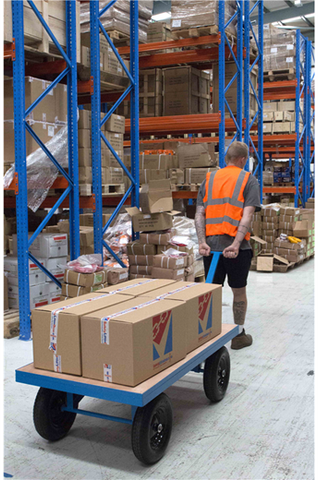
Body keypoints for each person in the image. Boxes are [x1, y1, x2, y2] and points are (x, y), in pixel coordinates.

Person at [195, 141, 261, 350]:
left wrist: (202, 242)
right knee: (238, 291)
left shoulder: (209, 178)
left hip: (211, 247)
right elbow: (247, 216)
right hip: (236, 249)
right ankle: (239, 334)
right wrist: (235, 244)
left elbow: (199, 214)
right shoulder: (248, 179)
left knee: (212, 291)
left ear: (226, 159)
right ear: (242, 160)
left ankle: (208, 333)